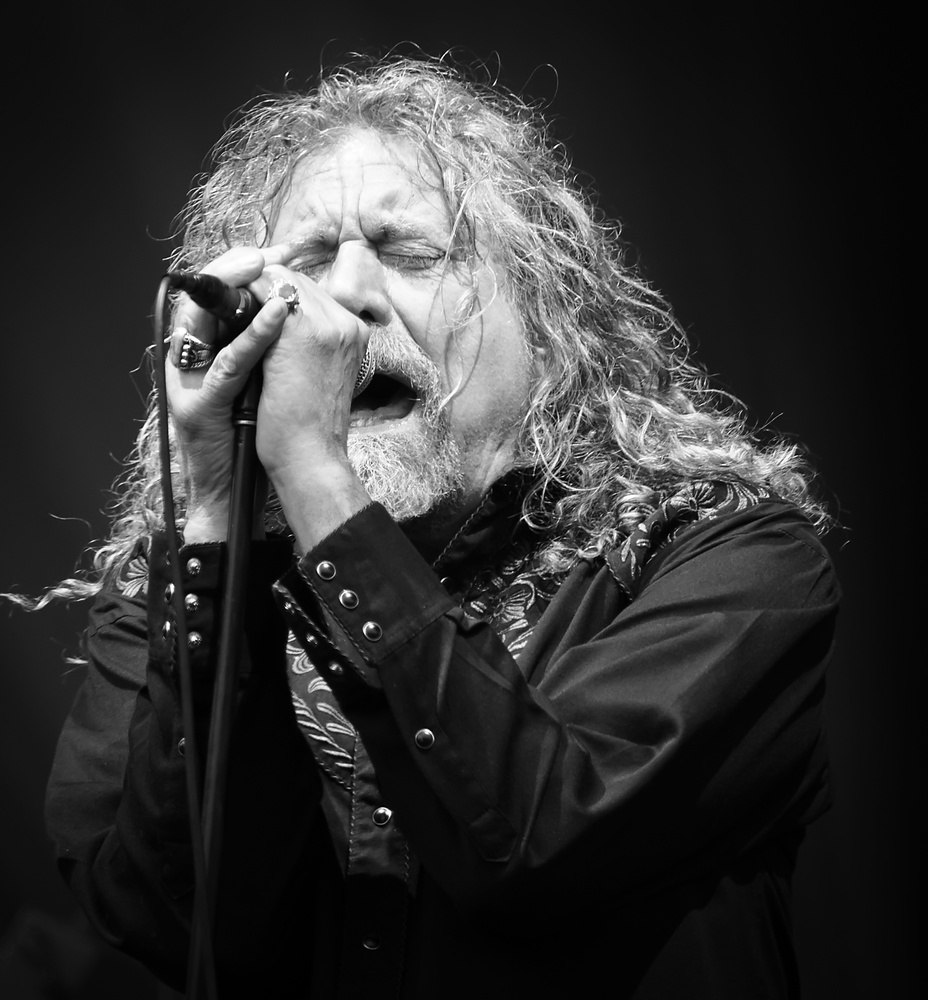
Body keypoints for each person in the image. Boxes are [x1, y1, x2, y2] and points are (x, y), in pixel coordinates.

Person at [43, 56, 839, 998]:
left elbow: (543, 843)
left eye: (414, 253)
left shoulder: (723, 554)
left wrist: (315, 472)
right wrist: (217, 507)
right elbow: (173, 925)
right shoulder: (177, 592)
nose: (347, 298)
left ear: (551, 322)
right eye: (306, 263)